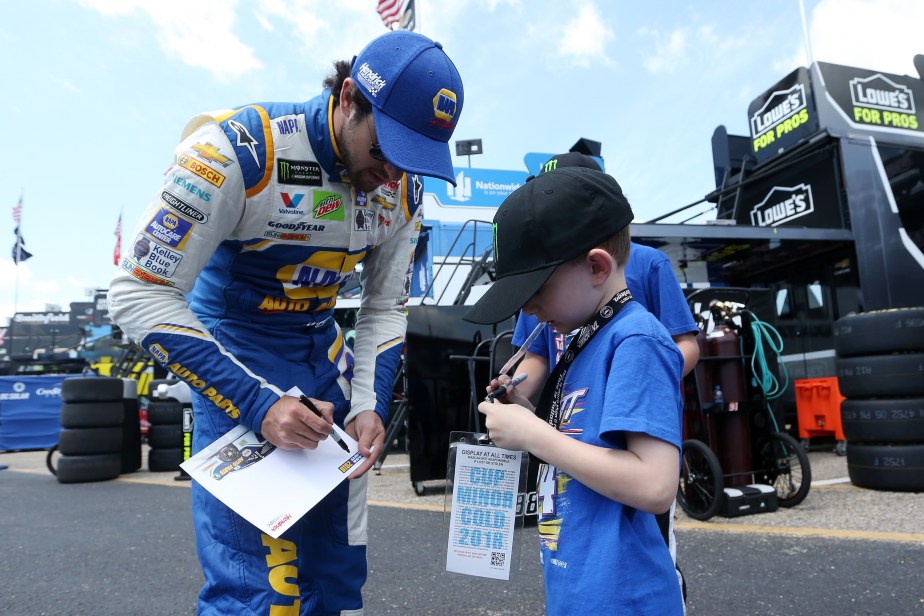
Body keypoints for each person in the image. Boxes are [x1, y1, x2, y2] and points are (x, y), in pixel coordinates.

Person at [108, 30, 463, 615]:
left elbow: (384, 308)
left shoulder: (405, 192)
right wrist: (257, 404)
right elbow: (137, 293)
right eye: (385, 151)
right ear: (349, 97)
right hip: (231, 360)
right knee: (257, 594)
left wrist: (371, 401)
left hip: (323, 360)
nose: (395, 176)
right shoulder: (236, 151)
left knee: (336, 576)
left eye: (414, 159)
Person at [465, 166, 685, 614]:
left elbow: (655, 483)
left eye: (536, 289)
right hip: (581, 590)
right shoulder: (585, 338)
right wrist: (525, 410)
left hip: (624, 599)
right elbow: (585, 448)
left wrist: (532, 434)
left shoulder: (636, 339)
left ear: (596, 266)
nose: (527, 307)